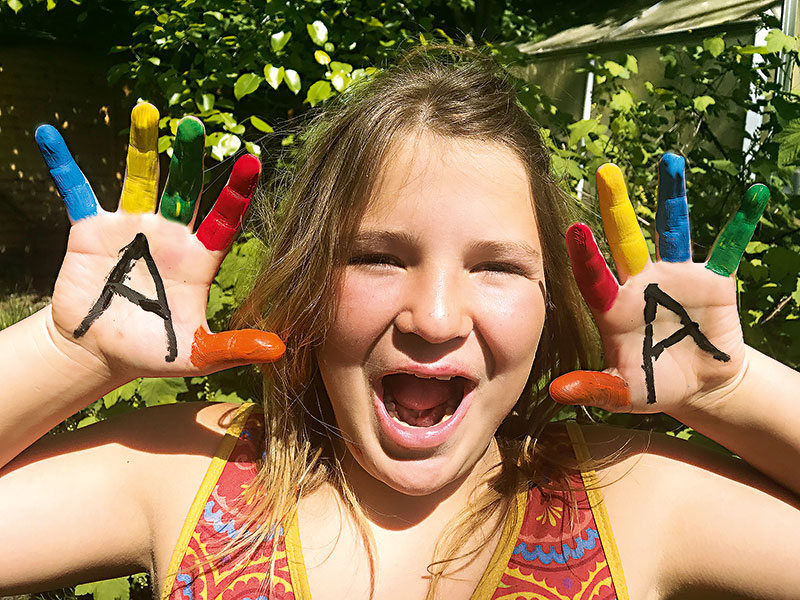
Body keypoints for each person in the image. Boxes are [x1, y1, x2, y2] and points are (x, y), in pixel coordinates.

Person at [1, 47, 799, 600]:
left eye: (497, 267)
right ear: (312, 281)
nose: (437, 317)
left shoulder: (629, 498)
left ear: (550, 302)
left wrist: (727, 389)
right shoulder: (195, 471)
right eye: (379, 257)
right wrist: (71, 350)